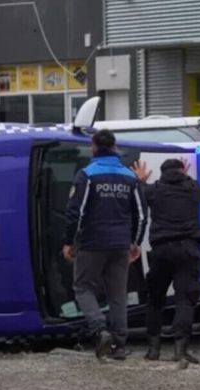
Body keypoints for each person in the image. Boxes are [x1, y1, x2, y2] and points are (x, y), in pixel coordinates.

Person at [62, 129, 147, 360]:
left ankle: (100, 329)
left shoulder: (87, 175)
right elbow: (140, 214)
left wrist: (69, 242)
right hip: (120, 245)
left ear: (93, 146)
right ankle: (119, 346)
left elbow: (75, 213)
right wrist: (135, 242)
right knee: (117, 294)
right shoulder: (130, 177)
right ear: (114, 147)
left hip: (92, 243)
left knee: (82, 287)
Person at [131, 158, 200, 362]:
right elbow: (194, 186)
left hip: (161, 249)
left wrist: (141, 180)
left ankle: (153, 349)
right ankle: (180, 350)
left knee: (155, 299)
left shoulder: (154, 190)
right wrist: (185, 175)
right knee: (185, 298)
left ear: (162, 173)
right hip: (188, 249)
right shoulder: (193, 190)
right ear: (182, 171)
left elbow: (141, 195)